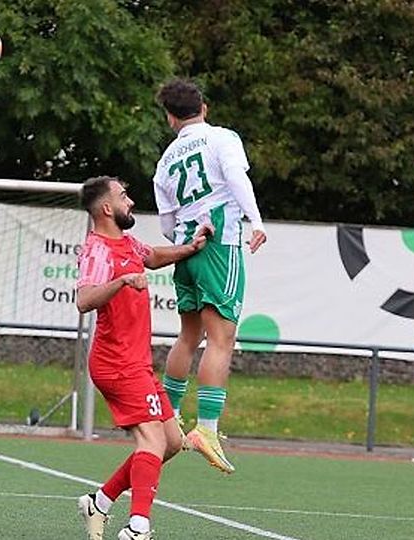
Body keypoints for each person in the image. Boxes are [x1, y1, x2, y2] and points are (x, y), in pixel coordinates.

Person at [74, 176, 213, 540]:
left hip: (137, 363)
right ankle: (138, 527)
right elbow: (84, 300)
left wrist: (190, 248)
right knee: (151, 441)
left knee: (169, 442)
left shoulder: (127, 244)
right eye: (124, 196)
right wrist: (121, 282)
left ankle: (99, 502)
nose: (131, 201)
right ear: (107, 208)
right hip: (116, 363)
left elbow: (151, 257)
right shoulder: (97, 249)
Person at [151, 78, 267, 474]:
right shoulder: (222, 139)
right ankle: (207, 429)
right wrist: (256, 220)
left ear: (170, 117)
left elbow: (167, 225)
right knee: (222, 339)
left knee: (188, 335)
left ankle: (167, 417)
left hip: (186, 249)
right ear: (204, 106)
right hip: (219, 243)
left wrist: (188, 236)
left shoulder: (165, 161)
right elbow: (236, 178)